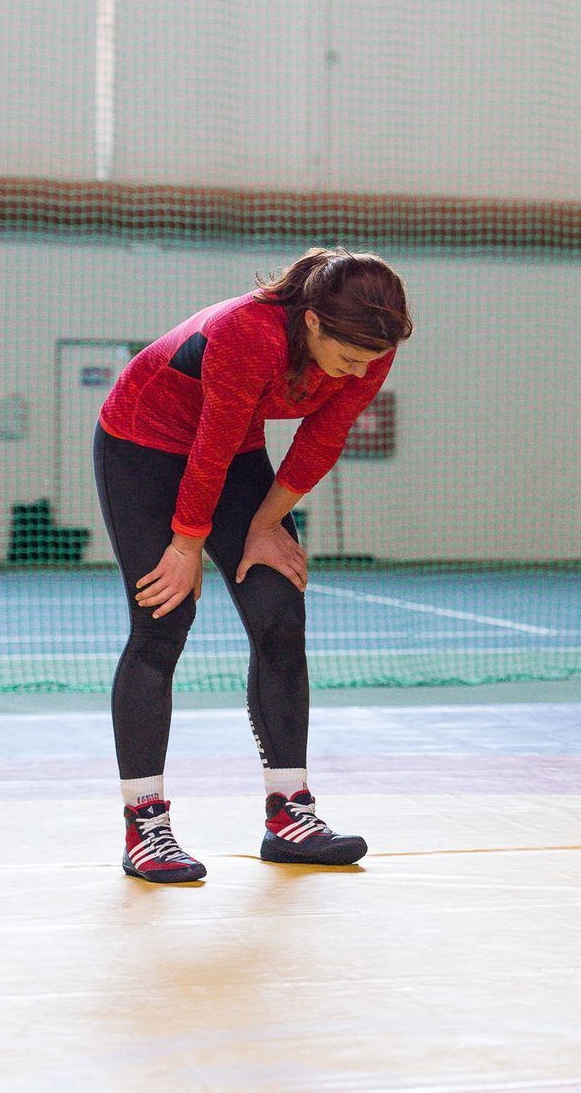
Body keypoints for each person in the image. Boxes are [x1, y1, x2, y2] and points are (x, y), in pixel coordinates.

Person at [95, 248, 413, 883]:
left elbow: (322, 438)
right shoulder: (249, 331)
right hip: (144, 446)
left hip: (233, 451)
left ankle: (290, 814)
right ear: (313, 322)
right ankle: (145, 827)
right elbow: (206, 446)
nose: (358, 374)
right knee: (163, 621)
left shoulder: (372, 342)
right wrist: (186, 547)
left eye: (370, 363)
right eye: (349, 359)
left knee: (279, 612)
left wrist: (265, 526)